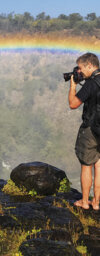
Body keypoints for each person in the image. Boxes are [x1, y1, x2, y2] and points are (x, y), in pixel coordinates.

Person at [69, 52, 100, 210]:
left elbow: (73, 104)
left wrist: (73, 85)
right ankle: (96, 203)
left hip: (90, 129)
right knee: (99, 166)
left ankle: (85, 202)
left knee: (87, 165)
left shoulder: (91, 84)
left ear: (90, 65)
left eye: (81, 68)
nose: (80, 72)